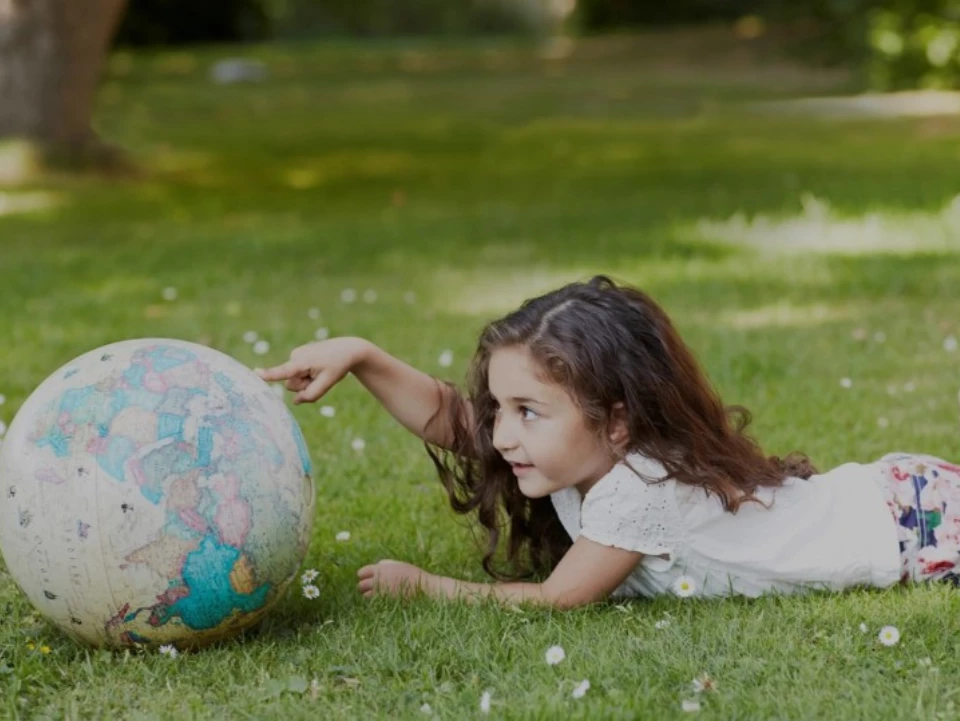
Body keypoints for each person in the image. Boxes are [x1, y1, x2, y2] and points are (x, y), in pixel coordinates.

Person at [258, 275, 960, 609]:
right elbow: (451, 417)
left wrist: (427, 586)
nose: (501, 433)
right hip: (895, 496)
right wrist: (362, 355)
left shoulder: (635, 489)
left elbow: (559, 597)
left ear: (616, 421)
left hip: (911, 525)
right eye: (500, 407)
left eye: (527, 411)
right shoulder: (582, 449)